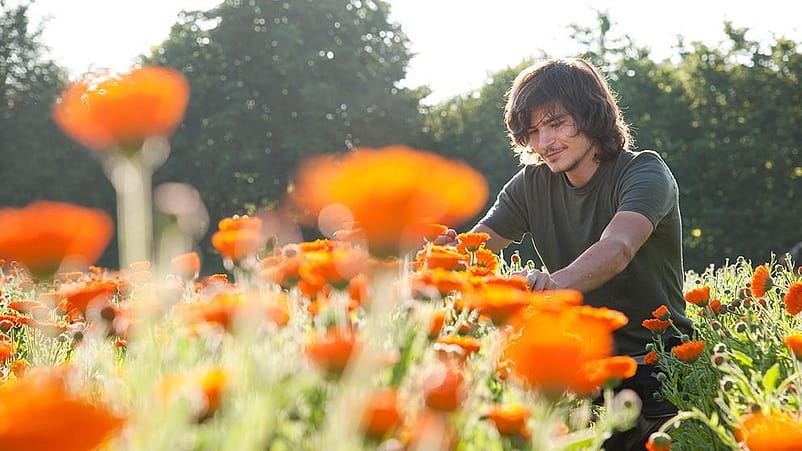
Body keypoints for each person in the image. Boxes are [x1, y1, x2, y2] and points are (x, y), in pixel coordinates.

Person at [442, 58, 693, 449]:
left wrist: (552, 286)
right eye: (533, 132)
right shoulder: (531, 184)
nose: (544, 143)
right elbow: (474, 247)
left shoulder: (644, 172)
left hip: (658, 366)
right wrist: (433, 252)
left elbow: (618, 247)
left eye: (556, 123)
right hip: (577, 367)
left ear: (592, 115)